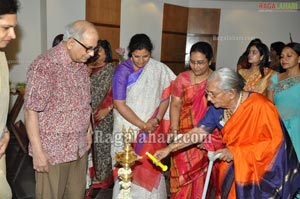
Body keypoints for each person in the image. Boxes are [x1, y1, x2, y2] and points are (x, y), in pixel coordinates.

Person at [155, 67, 300, 198]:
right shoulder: (217, 108)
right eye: (207, 93)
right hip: (232, 169)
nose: (208, 99)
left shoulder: (261, 106)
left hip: (261, 172)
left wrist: (236, 153)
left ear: (231, 93)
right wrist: (169, 148)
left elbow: (275, 145)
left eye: (213, 94)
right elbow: (198, 132)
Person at [24, 20, 99, 199]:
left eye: (94, 49)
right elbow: (30, 111)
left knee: (75, 195)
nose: (91, 54)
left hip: (78, 148)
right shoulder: (44, 65)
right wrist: (38, 152)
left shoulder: (81, 67)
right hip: (52, 152)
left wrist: (88, 130)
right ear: (71, 42)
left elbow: (85, 103)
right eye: (88, 48)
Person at [111, 33, 176, 198]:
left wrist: (157, 119)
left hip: (152, 128)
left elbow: (166, 95)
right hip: (127, 128)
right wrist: (142, 125)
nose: (141, 61)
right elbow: (119, 104)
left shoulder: (157, 68)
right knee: (126, 169)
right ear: (130, 53)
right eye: (136, 56)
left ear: (151, 54)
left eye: (145, 56)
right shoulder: (122, 71)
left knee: (150, 165)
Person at [168, 41, 223, 199]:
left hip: (206, 137)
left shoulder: (217, 81)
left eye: (200, 62)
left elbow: (220, 112)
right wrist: (173, 131)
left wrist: (207, 139)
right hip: (183, 135)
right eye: (192, 62)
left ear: (210, 61)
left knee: (201, 179)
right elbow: (176, 105)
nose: (196, 66)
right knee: (180, 178)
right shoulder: (182, 79)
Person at [87, 39, 115, 188]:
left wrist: (108, 109)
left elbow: (120, 95)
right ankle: (93, 174)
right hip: (87, 115)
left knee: (102, 146)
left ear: (107, 53)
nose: (97, 54)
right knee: (91, 147)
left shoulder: (111, 69)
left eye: (101, 51)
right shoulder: (88, 68)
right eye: (95, 50)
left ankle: (104, 178)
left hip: (104, 115)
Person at [268, 42, 300, 161]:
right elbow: (269, 107)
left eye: (289, 55)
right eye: (282, 56)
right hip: (278, 128)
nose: (284, 59)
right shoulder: (275, 79)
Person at [0, 0, 19, 198]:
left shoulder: (1, 60)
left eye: (14, 28)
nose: (13, 35)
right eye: (6, 27)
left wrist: (5, 131)